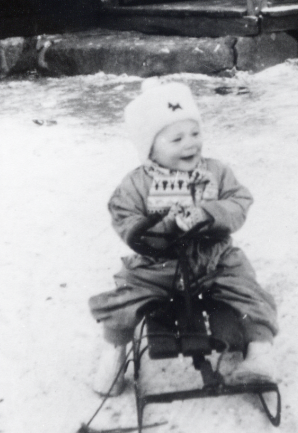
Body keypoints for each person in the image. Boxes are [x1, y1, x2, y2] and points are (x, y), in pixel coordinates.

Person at [89, 80, 278, 395]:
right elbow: (123, 215)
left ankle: (260, 354)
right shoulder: (138, 183)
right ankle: (114, 353)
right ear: (150, 147)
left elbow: (239, 201)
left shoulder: (215, 172)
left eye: (195, 133)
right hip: (158, 265)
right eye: (176, 138)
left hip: (213, 259)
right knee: (123, 297)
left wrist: (209, 213)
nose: (190, 144)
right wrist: (156, 228)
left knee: (248, 290)